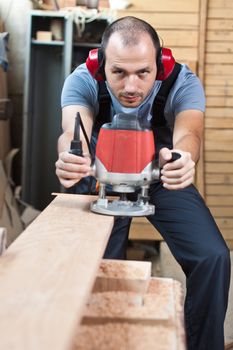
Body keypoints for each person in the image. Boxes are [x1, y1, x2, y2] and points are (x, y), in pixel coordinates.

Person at [55, 16, 230, 350]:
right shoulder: (82, 79)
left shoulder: (183, 81)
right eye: (118, 72)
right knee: (101, 267)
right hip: (101, 176)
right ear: (100, 64)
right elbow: (71, 132)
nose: (131, 87)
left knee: (213, 257)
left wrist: (182, 159)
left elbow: (190, 133)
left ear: (160, 66)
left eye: (143, 73)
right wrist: (70, 158)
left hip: (159, 174)